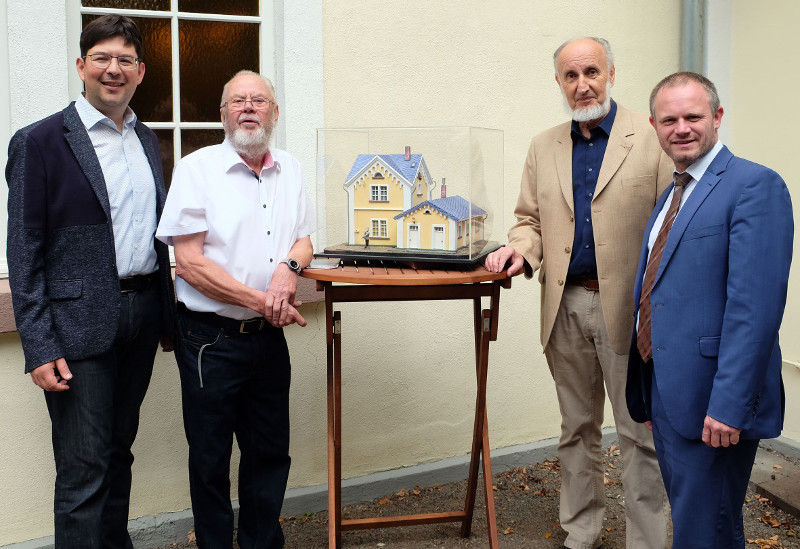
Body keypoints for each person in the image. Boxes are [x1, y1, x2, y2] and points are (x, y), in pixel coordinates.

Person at [485, 37, 673, 549]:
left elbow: (673, 221)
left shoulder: (651, 135)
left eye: (591, 71)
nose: (582, 83)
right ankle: (582, 529)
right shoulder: (544, 145)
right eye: (571, 75)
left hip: (632, 311)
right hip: (564, 305)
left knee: (638, 434)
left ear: (612, 72)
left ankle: (648, 541)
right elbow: (529, 219)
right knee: (576, 428)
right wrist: (520, 251)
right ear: (559, 83)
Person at [5, 14, 175, 549]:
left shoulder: (147, 140)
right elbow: (25, 250)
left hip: (142, 314)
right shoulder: (40, 141)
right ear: (81, 66)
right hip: (76, 327)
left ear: (141, 71)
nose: (113, 69)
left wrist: (169, 314)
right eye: (101, 57)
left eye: (125, 59)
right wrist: (38, 346)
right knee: (83, 470)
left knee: (118, 454)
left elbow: (156, 234)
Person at [626, 71, 793, 548]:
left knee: (706, 531)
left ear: (717, 118)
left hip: (715, 405)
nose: (682, 128)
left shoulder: (754, 186)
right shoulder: (670, 196)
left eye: (693, 116)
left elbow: (754, 311)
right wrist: (651, 385)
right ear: (655, 127)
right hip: (668, 393)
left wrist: (729, 406)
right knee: (700, 522)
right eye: (669, 119)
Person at [155, 70, 315, 549]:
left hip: (268, 338)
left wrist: (289, 268)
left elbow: (305, 240)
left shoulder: (292, 167)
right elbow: (188, 264)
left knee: (270, 453)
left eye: (259, 100)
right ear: (224, 114)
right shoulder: (196, 169)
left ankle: (262, 543)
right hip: (209, 340)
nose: (249, 108)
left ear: (275, 113)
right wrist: (262, 300)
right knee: (209, 459)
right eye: (238, 101)